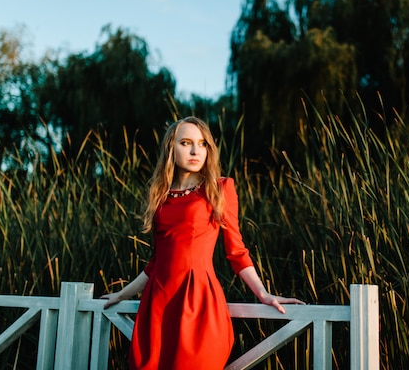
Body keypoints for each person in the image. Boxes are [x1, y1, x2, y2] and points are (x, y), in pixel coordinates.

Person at [101, 116, 304, 369]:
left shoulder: (219, 188)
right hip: (157, 306)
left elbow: (236, 251)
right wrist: (122, 293)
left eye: (202, 144)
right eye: (186, 143)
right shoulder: (160, 195)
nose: (196, 151)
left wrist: (263, 293)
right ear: (170, 149)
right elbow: (157, 262)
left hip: (198, 302)